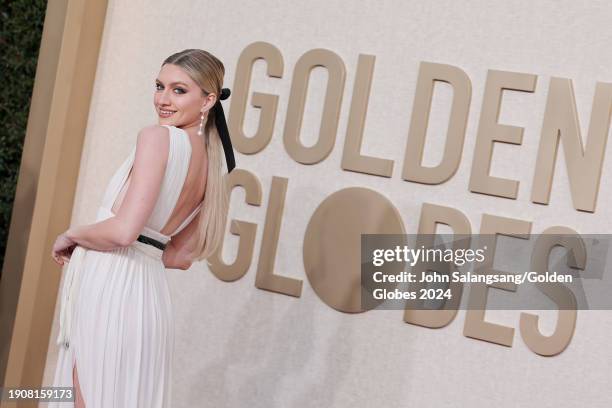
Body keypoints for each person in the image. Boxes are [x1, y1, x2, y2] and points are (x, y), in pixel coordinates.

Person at [49, 49, 236, 407]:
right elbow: (179, 256)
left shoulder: (157, 138)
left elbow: (123, 232)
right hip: (148, 299)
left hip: (112, 288)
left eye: (179, 90)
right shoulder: (214, 163)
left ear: (208, 100)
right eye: (159, 86)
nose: (163, 100)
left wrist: (72, 235)